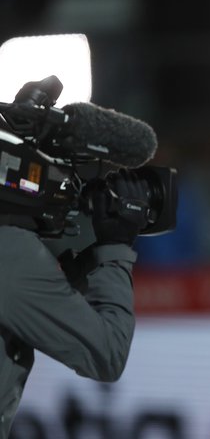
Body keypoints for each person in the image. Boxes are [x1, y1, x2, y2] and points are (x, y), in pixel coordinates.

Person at [0, 169, 150, 438]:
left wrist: (94, 257)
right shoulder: (10, 248)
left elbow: (31, 297)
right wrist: (116, 246)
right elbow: (108, 354)